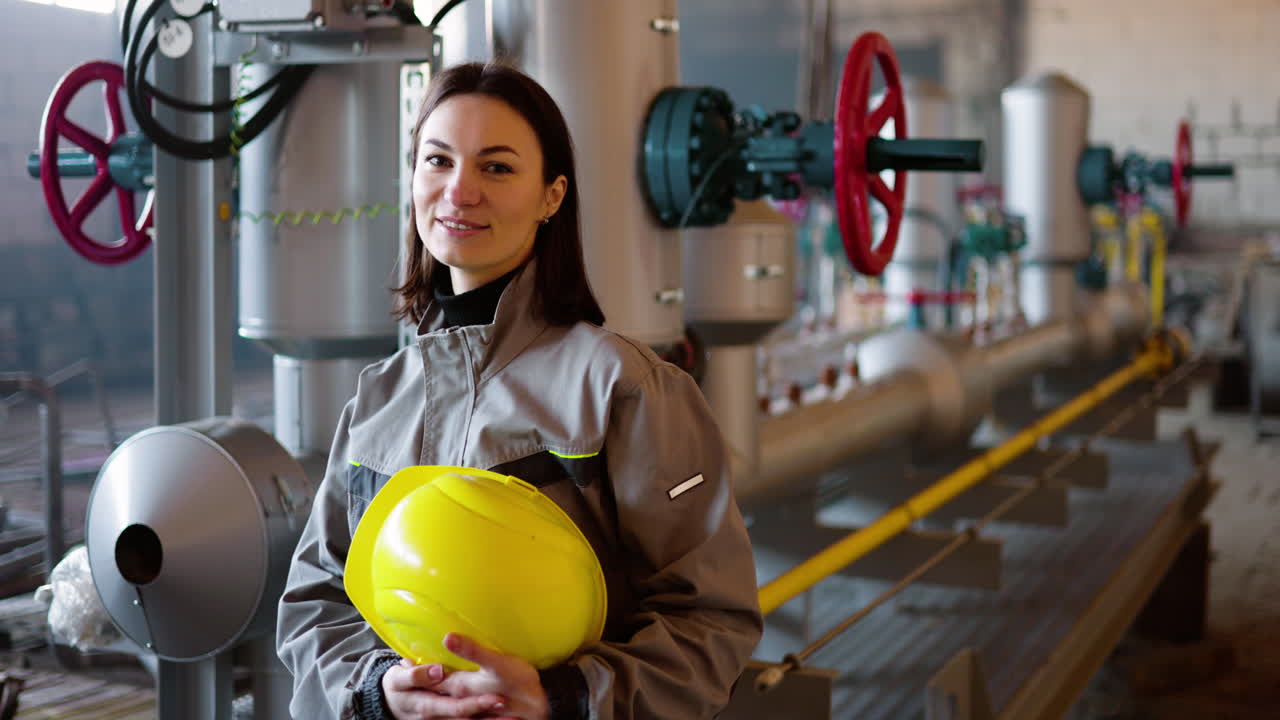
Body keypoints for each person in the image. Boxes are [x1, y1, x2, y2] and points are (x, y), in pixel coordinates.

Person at [276, 60, 763, 720]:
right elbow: (317, 603)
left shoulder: (625, 389)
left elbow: (709, 623)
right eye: (438, 161)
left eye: (496, 167)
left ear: (551, 196)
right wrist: (374, 691)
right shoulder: (379, 397)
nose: (459, 190)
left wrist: (558, 699)